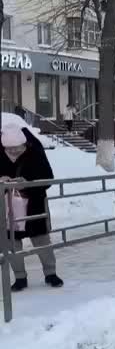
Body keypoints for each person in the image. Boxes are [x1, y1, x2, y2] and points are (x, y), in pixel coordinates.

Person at [0, 121, 63, 291]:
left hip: (34, 204)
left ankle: (51, 273)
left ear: (24, 144)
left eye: (17, 148)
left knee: (41, 240)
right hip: (8, 206)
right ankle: (20, 277)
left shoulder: (35, 152)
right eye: (9, 149)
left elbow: (48, 178)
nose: (13, 152)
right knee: (11, 243)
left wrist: (27, 184)